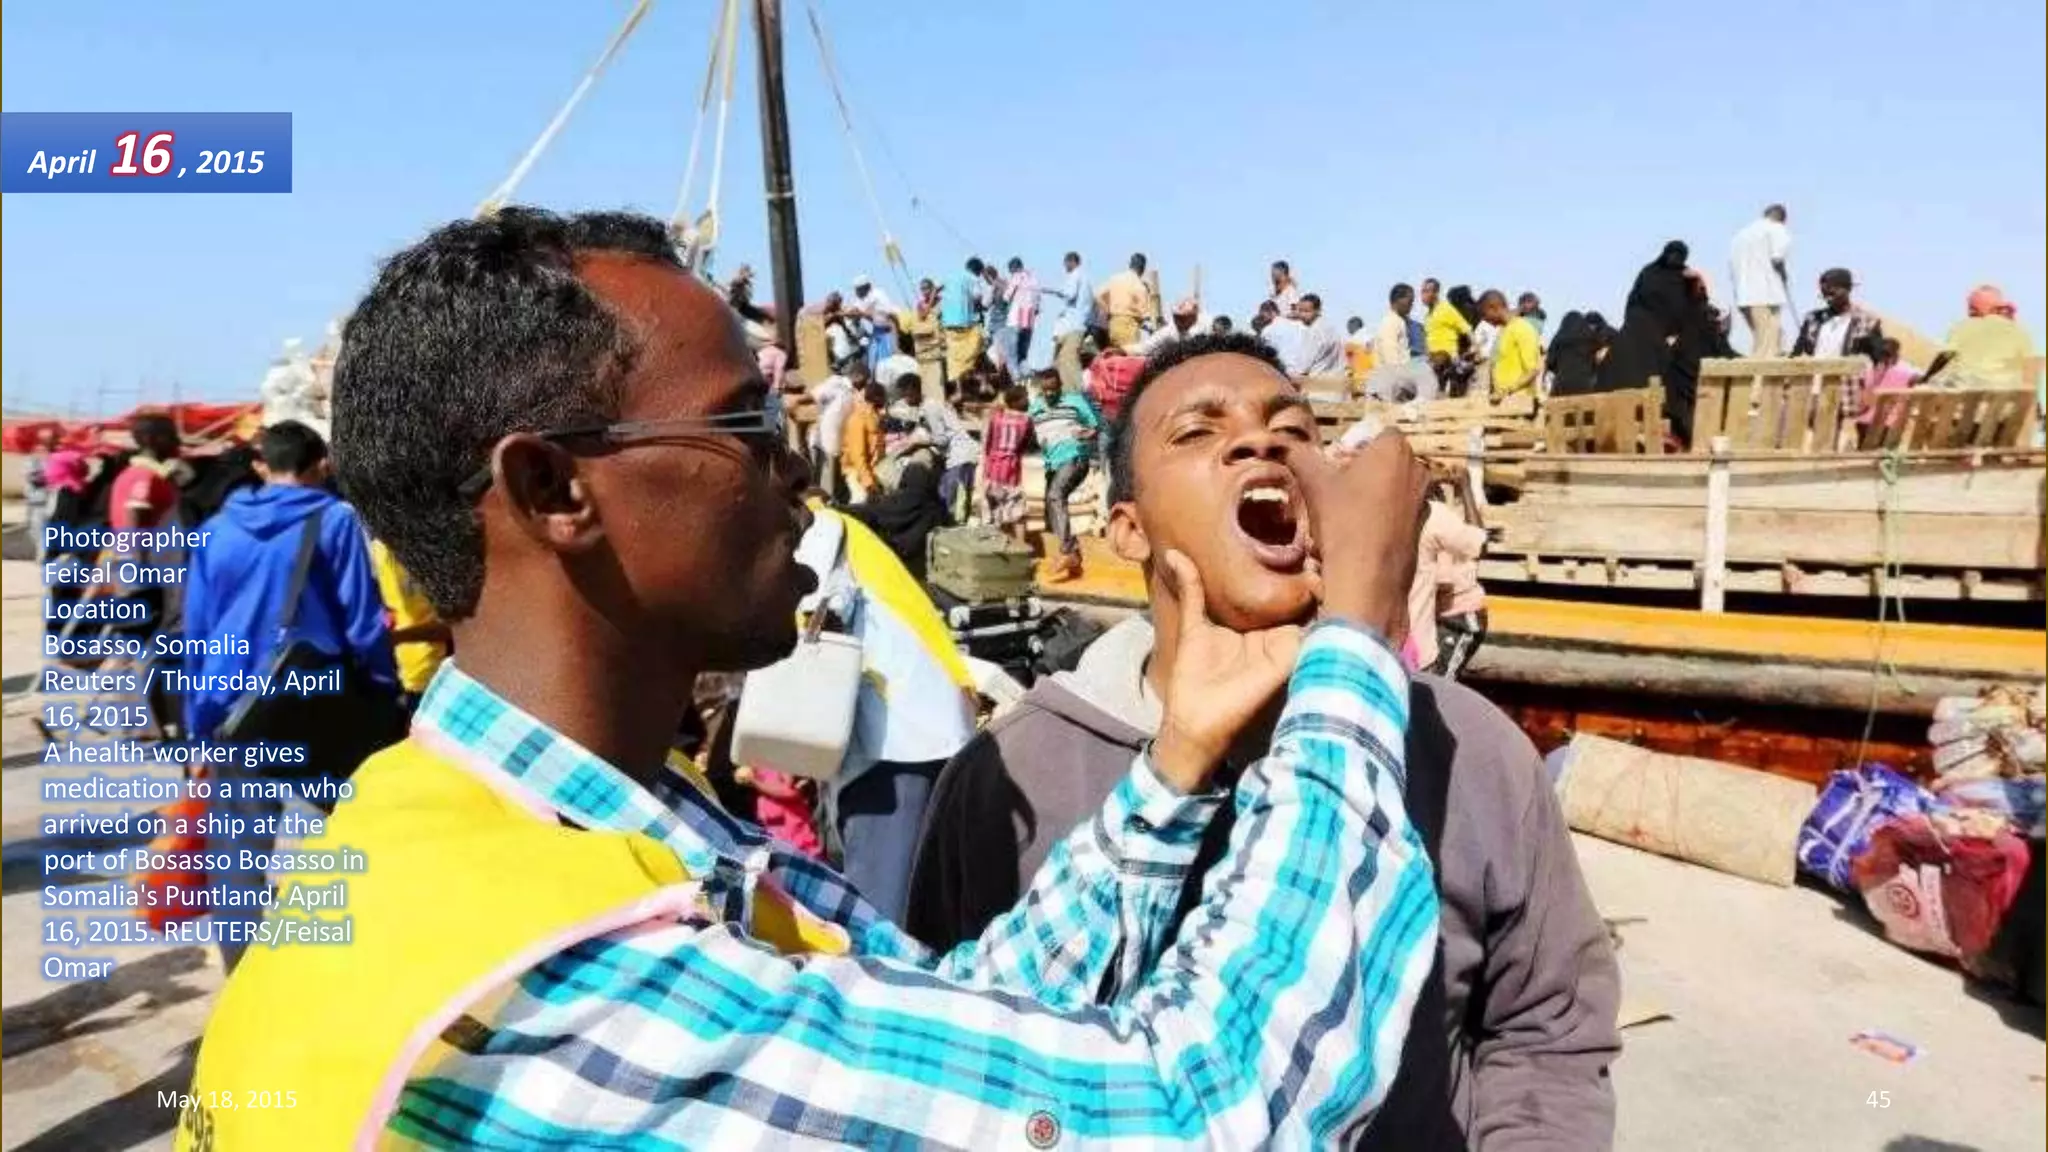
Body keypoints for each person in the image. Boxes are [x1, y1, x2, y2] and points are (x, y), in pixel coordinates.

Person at [185, 206, 1439, 1149]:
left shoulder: (530, 830)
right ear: (554, 491)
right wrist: (1356, 645)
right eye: (744, 431)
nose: (798, 474)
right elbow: (1200, 1111)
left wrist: (1168, 777)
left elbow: (940, 1029)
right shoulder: (549, 985)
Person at [909, 332, 1617, 1152]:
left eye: (1294, 430)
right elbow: (959, 1058)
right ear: (1127, 530)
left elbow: (1547, 1026)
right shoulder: (1016, 778)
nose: (1260, 441)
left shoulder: (1470, 744)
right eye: (1198, 432)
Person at [181, 419, 398, 972]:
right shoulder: (335, 521)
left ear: (263, 464)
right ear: (320, 462)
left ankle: (245, 976)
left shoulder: (215, 530)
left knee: (237, 858)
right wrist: (382, 694)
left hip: (234, 709)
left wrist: (197, 731)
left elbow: (197, 632)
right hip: (316, 702)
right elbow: (363, 619)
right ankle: (365, 960)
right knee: (361, 834)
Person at [1028, 369, 1100, 581]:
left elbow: (1095, 426)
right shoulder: (1036, 407)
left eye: (1053, 389)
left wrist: (1089, 433)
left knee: (1055, 495)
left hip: (1075, 458)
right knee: (1052, 504)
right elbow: (1031, 431)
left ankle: (1068, 551)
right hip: (1052, 464)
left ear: (1060, 387)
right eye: (1046, 390)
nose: (1049, 394)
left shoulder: (1075, 401)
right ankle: (1073, 559)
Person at [1598, 240, 1694, 393]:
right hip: (1642, 333)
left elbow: (1689, 309)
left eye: (1679, 256)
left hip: (1655, 336)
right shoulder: (1649, 273)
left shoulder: (1686, 277)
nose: (1675, 259)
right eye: (1672, 254)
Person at [369, 538, 450, 708]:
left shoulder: (437, 548)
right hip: (408, 678)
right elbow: (389, 604)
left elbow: (459, 628)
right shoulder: (379, 549)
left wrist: (398, 637)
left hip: (442, 676)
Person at [1926, 285, 2038, 392]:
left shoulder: (1964, 326)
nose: (1969, 312)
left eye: (1971, 308)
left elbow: (1945, 355)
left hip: (1968, 392)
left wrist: (1926, 378)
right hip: (2006, 395)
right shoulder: (2021, 331)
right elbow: (2030, 370)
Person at [1729, 204, 1793, 356]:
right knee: (1769, 346)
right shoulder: (1776, 228)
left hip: (1743, 294)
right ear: (1782, 219)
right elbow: (1777, 258)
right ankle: (1761, 378)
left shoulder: (1741, 234)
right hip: (1765, 293)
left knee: (1763, 341)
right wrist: (1784, 275)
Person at [1791, 267, 1883, 359]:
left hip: (1848, 373)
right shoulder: (1813, 320)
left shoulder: (1867, 322)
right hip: (1814, 372)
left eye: (1832, 294)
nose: (1828, 299)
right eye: (1824, 295)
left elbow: (1877, 357)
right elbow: (1797, 354)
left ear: (1848, 289)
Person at [979, 382, 1032, 540]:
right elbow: (1024, 446)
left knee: (995, 513)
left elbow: (987, 445)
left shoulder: (996, 418)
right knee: (1018, 513)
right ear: (1016, 401)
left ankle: (998, 548)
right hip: (1012, 472)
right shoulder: (1026, 421)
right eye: (1025, 398)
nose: (1028, 401)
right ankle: (1021, 547)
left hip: (993, 471)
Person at [1044, 250, 1094, 393]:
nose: (1065, 267)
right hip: (1073, 325)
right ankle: (1067, 391)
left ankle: (1078, 393)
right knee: (1060, 361)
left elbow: (1069, 294)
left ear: (1071, 262)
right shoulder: (1084, 278)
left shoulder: (1076, 275)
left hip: (1074, 325)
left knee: (1069, 360)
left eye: (1066, 263)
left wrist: (1052, 290)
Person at [807, 364, 858, 501]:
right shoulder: (836, 383)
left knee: (836, 480)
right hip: (825, 440)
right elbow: (813, 395)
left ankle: (835, 502)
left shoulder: (855, 392)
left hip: (841, 442)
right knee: (824, 478)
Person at [1482, 288, 1544, 402]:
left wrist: (1508, 391)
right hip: (1504, 403)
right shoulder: (1504, 331)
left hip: (1520, 403)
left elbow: (1533, 370)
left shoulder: (1522, 328)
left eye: (1484, 314)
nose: (1485, 320)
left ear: (1493, 308)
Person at [1854, 335, 1919, 436]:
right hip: (1888, 423)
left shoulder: (1870, 367)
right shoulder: (1906, 370)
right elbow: (1919, 380)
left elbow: (1862, 392)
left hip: (1867, 421)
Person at [940, 256, 987, 383]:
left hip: (948, 322)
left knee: (955, 358)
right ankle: (983, 382)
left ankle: (959, 390)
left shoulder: (951, 276)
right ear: (978, 271)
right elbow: (977, 298)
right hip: (966, 323)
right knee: (979, 348)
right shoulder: (973, 278)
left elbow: (937, 288)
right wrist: (982, 308)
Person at [841, 377, 887, 503]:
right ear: (877, 399)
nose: (886, 400)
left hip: (874, 470)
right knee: (860, 502)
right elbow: (857, 456)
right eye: (883, 397)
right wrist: (868, 482)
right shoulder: (858, 419)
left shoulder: (876, 417)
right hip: (857, 472)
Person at [1424, 280, 1474, 391]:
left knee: (1440, 358)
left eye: (1427, 291)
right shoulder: (1427, 316)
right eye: (1422, 292)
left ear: (1436, 293)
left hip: (1447, 358)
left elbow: (1467, 329)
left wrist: (1476, 349)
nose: (1423, 296)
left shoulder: (1446, 309)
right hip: (1432, 360)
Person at [1097, 251, 1153, 350]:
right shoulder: (1139, 285)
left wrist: (1108, 310)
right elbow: (1146, 315)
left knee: (1115, 357)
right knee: (1129, 359)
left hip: (1113, 325)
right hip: (1129, 326)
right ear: (1143, 269)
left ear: (1130, 264)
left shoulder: (1114, 279)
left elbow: (1098, 295)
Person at [1546, 310, 1603, 397]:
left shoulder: (1558, 339)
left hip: (1561, 387)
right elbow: (1599, 359)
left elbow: (1550, 362)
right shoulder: (1591, 338)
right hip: (1585, 386)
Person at [848, 273, 898, 368]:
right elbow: (854, 310)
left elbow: (886, 317)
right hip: (875, 336)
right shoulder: (862, 299)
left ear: (865, 287)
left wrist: (861, 314)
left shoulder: (877, 295)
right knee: (873, 365)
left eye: (858, 290)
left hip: (885, 335)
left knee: (885, 365)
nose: (856, 292)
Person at [999, 256, 1039, 371]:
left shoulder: (1016, 277)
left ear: (1013, 268)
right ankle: (1024, 375)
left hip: (1016, 319)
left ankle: (1015, 378)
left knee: (1012, 353)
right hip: (1029, 321)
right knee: (1023, 354)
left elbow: (1007, 297)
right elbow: (1038, 305)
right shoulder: (1033, 279)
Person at [1295, 292, 1346, 377]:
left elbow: (1304, 365)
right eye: (1300, 311)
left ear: (1317, 311)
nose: (1302, 315)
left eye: (1306, 311)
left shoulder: (1313, 332)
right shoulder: (1330, 327)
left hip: (1318, 382)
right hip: (1337, 379)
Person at [1130, 295, 1202, 356]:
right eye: (1177, 318)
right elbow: (1144, 349)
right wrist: (1125, 350)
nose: (1179, 321)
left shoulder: (1197, 330)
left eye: (1183, 318)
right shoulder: (1167, 333)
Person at [1257, 298, 1309, 372]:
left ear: (1271, 312)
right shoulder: (1299, 325)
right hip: (1302, 370)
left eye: (1262, 316)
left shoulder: (1267, 331)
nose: (1262, 319)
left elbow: (1266, 355)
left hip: (1282, 371)